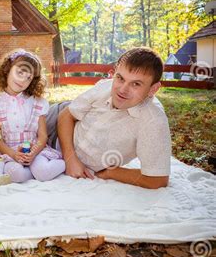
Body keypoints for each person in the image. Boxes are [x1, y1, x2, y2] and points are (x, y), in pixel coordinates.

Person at [49, 47, 171, 189]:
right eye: (120, 78)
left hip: (53, 153)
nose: (122, 90)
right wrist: (70, 159)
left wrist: (111, 172)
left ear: (153, 89)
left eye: (136, 84)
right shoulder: (105, 86)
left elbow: (158, 180)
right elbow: (66, 115)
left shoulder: (153, 121)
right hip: (53, 123)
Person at [0, 49, 66, 183]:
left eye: (28, 78)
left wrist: (33, 153)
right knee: (16, 174)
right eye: (20, 72)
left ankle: (64, 163)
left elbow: (43, 136)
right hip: (9, 152)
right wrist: (14, 155)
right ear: (7, 69)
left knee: (43, 172)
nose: (22, 80)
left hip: (35, 150)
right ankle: (30, 173)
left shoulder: (37, 102)